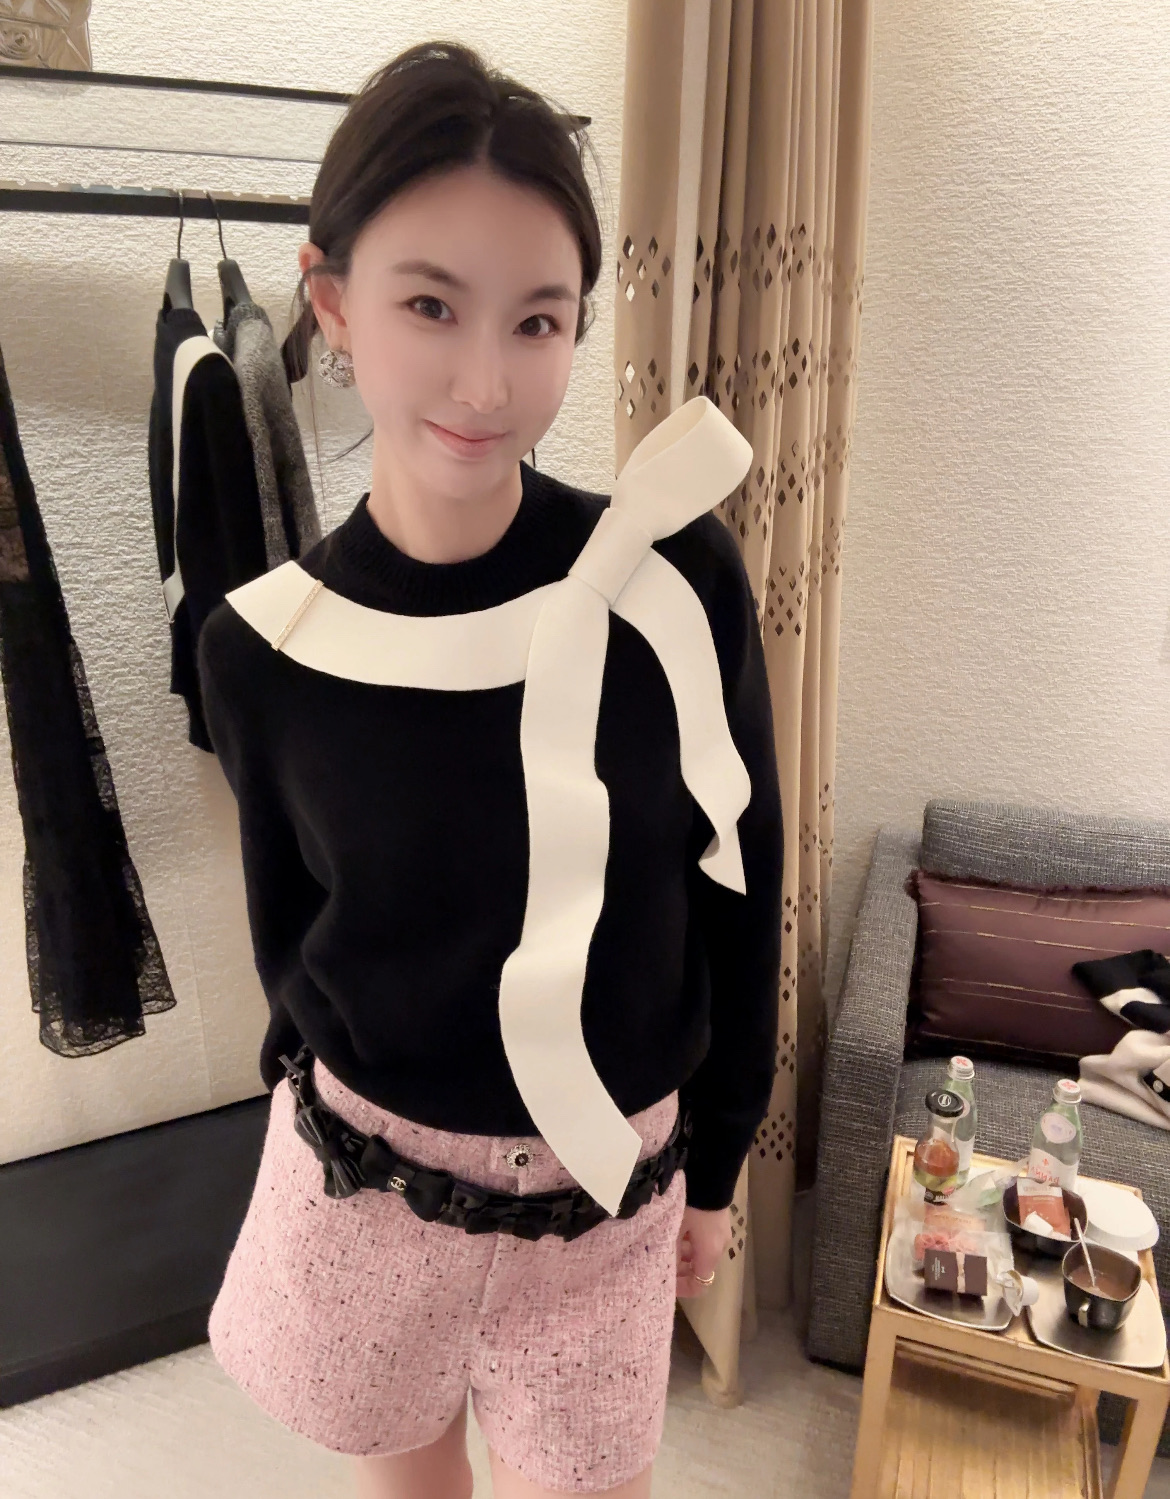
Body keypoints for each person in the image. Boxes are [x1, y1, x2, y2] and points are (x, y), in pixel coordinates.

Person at [197, 38, 783, 1499]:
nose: (484, 378)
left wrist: (719, 1163)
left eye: (537, 321)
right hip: (365, 1186)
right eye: (429, 305)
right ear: (333, 301)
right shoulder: (263, 647)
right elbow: (291, 945)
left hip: (607, 1191)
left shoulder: (670, 583)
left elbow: (738, 887)